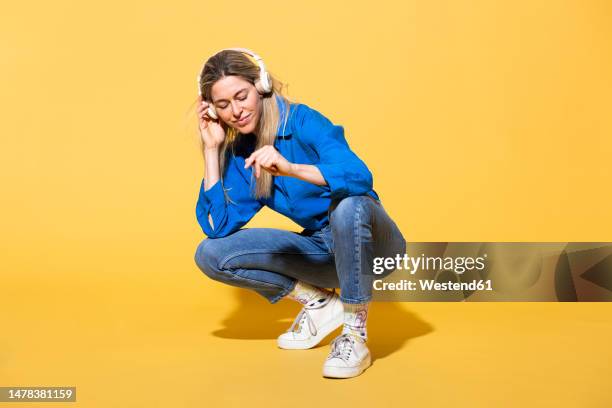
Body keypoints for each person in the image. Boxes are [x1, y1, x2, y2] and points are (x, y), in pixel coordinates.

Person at [193, 48, 406, 378]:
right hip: (325, 253)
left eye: (241, 96)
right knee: (210, 254)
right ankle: (322, 304)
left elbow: (359, 177)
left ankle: (354, 335)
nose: (236, 111)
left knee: (349, 205)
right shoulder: (241, 155)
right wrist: (212, 148)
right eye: (223, 105)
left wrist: (291, 168)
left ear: (261, 85)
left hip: (375, 246)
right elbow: (216, 226)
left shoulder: (304, 121)